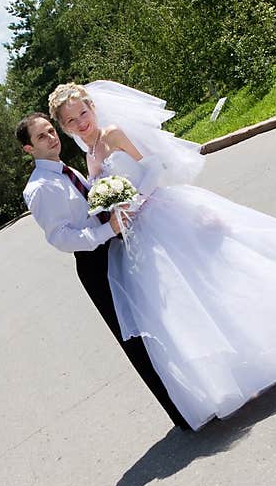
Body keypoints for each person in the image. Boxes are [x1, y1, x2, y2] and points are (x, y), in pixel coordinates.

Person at [48, 80, 276, 431]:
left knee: (223, 273)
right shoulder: (89, 156)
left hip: (161, 213)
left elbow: (152, 169)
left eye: (83, 112)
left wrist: (135, 200)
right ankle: (241, 366)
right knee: (188, 303)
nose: (81, 123)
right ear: (64, 127)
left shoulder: (114, 134)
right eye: (71, 120)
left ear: (92, 107)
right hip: (138, 236)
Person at [17, 112, 193, 430]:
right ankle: (181, 412)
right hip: (94, 263)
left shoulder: (65, 170)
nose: (51, 137)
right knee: (135, 338)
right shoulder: (40, 188)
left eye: (51, 131)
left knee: (154, 319)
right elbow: (60, 237)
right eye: (41, 137)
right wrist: (107, 230)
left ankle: (192, 390)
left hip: (116, 248)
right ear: (29, 149)